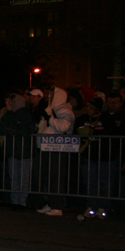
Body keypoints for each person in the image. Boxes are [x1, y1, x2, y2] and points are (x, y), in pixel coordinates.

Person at [35, 86, 74, 217]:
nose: (49, 97)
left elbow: (63, 127)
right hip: (48, 147)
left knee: (55, 177)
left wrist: (50, 117)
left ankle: (57, 205)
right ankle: (51, 203)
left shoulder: (64, 110)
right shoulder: (52, 109)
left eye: (52, 95)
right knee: (48, 176)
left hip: (57, 148)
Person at [0, 93, 35, 207]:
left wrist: (12, 130)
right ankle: (15, 201)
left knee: (23, 178)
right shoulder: (9, 114)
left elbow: (28, 129)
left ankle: (22, 201)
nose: (11, 104)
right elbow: (0, 127)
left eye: (13, 101)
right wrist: (12, 129)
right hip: (13, 150)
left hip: (24, 151)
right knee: (14, 177)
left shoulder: (25, 114)